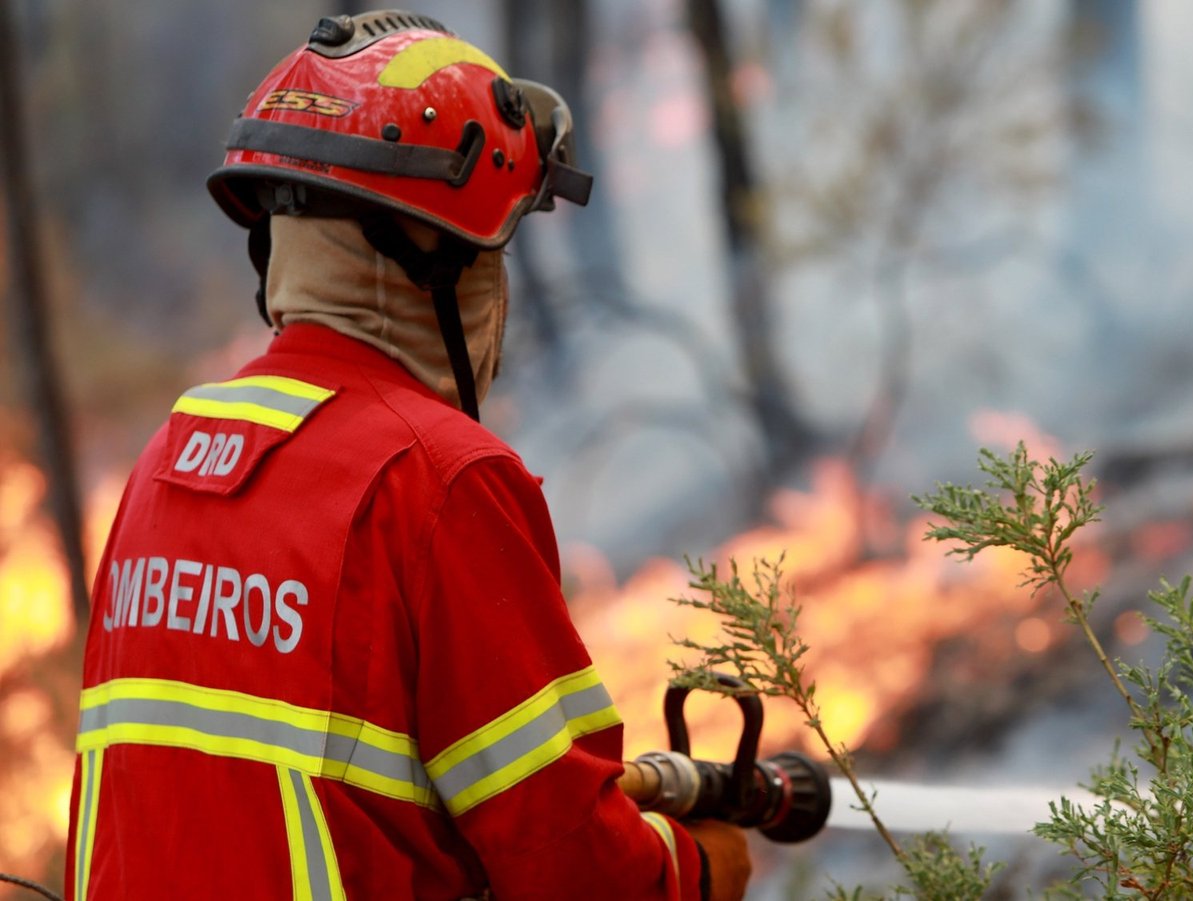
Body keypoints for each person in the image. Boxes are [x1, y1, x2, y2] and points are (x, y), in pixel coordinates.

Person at [64, 11, 751, 900]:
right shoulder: (438, 481)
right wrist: (695, 867)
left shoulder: (166, 463)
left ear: (277, 244)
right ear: (443, 263)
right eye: (493, 258)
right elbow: (573, 864)